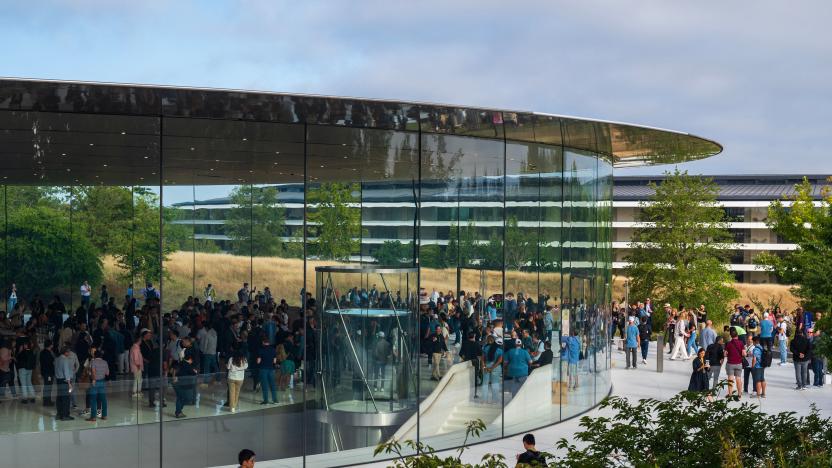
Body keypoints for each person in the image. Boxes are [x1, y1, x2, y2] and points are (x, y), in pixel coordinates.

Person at [86, 347, 110, 421]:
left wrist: (93, 379)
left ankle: (93, 417)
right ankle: (104, 416)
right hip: (102, 382)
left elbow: (93, 372)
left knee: (93, 399)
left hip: (95, 382)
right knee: (103, 400)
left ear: (95, 355)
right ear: (101, 355)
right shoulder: (105, 362)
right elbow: (107, 373)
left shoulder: (93, 362)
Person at [173, 353, 198, 418]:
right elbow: (193, 374)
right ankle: (178, 411)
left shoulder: (180, 362)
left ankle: (178, 412)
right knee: (187, 398)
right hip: (184, 384)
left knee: (179, 397)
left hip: (177, 383)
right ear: (190, 359)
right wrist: (195, 372)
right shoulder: (187, 365)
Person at [480, 335, 503, 403]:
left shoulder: (485, 348)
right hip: (496, 367)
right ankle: (495, 400)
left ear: (487, 340)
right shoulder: (499, 349)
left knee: (485, 384)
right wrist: (492, 368)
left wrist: (484, 366)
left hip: (486, 366)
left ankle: (484, 400)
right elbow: (500, 360)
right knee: (495, 384)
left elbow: (482, 358)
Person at [54, 346, 75, 420]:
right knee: (66, 398)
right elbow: (66, 372)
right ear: (65, 352)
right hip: (64, 381)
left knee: (59, 397)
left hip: (58, 380)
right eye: (68, 352)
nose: (69, 353)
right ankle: (65, 415)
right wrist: (69, 384)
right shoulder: (65, 360)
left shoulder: (57, 359)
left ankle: (59, 414)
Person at [724, 328, 745, 398]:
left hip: (730, 363)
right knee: (738, 379)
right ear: (737, 335)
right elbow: (744, 354)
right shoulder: (741, 343)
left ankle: (730, 394)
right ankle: (739, 394)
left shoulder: (728, 344)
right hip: (739, 363)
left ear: (731, 336)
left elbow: (725, 354)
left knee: (730, 379)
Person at [256, 337, 277, 404]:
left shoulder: (260, 350)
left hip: (263, 369)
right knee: (272, 385)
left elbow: (258, 361)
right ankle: (275, 400)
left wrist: (257, 361)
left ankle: (266, 401)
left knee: (265, 385)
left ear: (263, 342)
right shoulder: (273, 350)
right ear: (269, 342)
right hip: (271, 369)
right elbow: (274, 361)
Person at [17, 338, 36, 403]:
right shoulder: (31, 351)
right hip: (29, 369)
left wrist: (19, 351)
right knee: (29, 383)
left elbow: (18, 359)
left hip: (23, 369)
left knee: (24, 384)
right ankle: (33, 397)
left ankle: (25, 399)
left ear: (25, 345)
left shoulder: (23, 352)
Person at [40, 339, 56, 406]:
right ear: (50, 345)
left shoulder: (42, 352)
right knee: (48, 387)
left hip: (44, 371)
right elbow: (51, 363)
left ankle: (46, 401)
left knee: (46, 386)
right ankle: (47, 402)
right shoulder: (49, 353)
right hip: (49, 373)